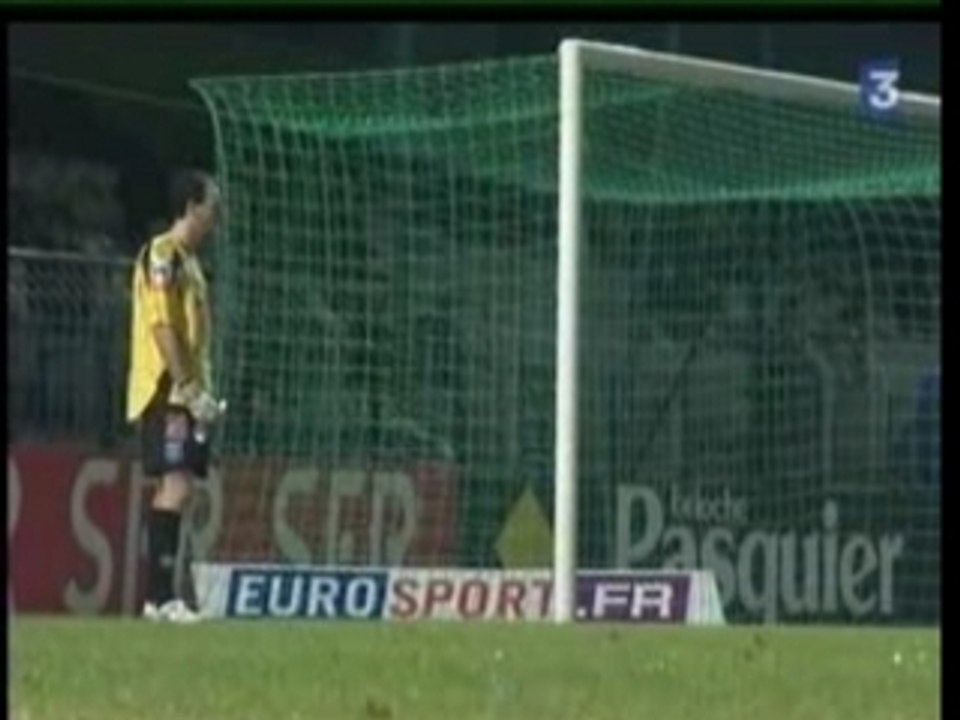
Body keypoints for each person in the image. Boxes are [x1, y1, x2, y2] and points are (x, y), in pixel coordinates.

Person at [126, 170, 225, 622]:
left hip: (188, 394)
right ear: (191, 205)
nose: (216, 216)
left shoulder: (190, 263)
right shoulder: (162, 254)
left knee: (180, 487)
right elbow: (162, 325)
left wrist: (202, 392)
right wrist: (185, 386)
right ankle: (160, 597)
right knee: (176, 485)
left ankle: (161, 596)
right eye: (212, 206)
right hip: (168, 391)